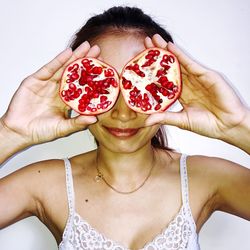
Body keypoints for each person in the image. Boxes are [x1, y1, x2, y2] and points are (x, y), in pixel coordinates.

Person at [0, 6, 249, 250]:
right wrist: (10, 133)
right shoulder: (44, 183)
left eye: (143, 86)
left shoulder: (208, 178)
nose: (122, 112)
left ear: (170, 89)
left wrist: (239, 125)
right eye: (102, 87)